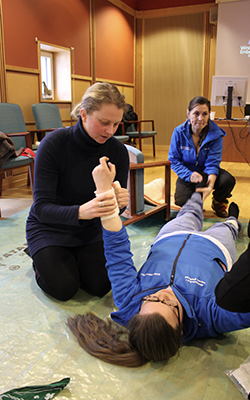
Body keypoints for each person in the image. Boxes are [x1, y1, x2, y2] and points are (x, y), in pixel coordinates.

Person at [67, 157, 250, 368]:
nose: (164, 294)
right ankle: (232, 220)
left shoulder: (128, 300)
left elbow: (116, 250)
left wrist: (104, 193)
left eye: (152, 298)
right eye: (170, 306)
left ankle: (200, 193)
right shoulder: (211, 317)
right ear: (181, 329)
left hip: (171, 236)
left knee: (189, 210)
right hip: (215, 245)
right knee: (228, 228)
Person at [26, 82, 130, 301]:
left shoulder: (118, 151)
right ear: (84, 114)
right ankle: (39, 258)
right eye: (104, 122)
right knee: (63, 289)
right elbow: (41, 208)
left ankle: (70, 261)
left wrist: (121, 202)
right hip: (49, 227)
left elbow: (115, 211)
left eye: (116, 124)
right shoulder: (53, 144)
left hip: (89, 229)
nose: (110, 131)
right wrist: (82, 211)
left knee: (101, 285)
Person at [168, 96, 236, 218]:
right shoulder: (178, 132)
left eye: (205, 114)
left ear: (209, 114)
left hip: (206, 171)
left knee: (227, 180)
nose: (201, 118)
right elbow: (174, 160)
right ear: (188, 113)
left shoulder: (216, 134)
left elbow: (212, 163)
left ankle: (218, 202)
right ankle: (195, 198)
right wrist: (189, 175)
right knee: (181, 200)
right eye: (196, 114)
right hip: (188, 172)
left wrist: (210, 186)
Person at [215, 221, 250, 313]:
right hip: (215, 244)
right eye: (175, 308)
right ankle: (232, 219)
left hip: (176, 234)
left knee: (191, 211)